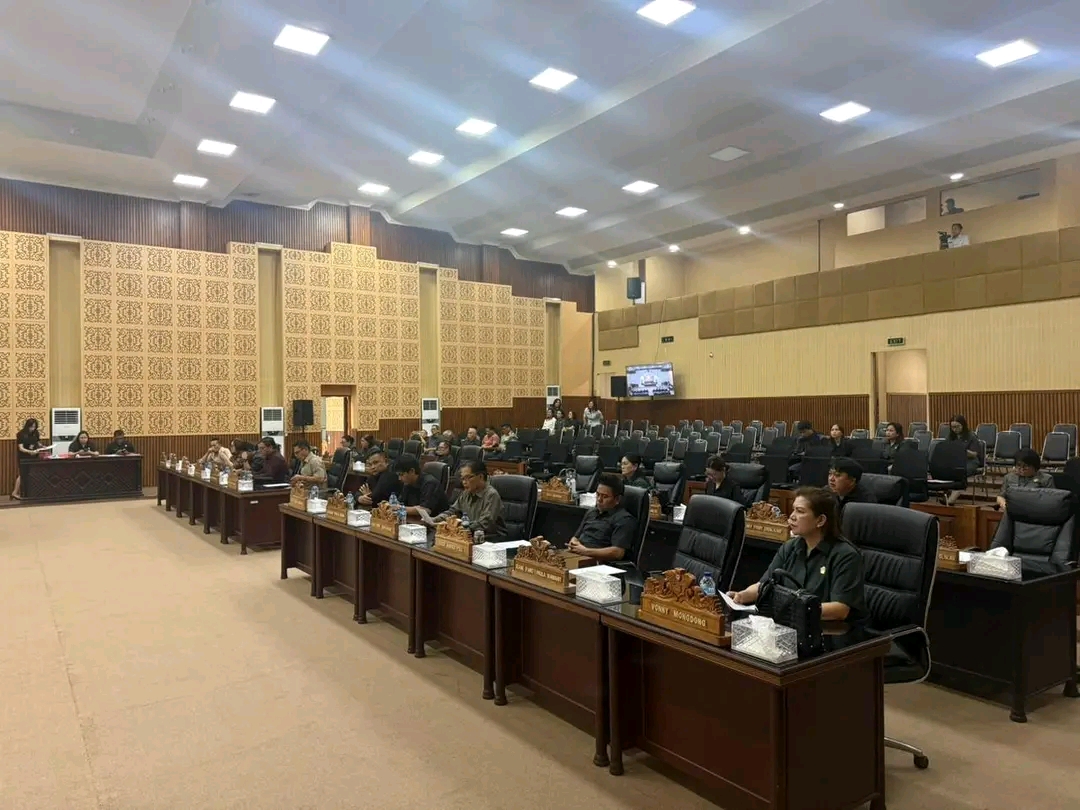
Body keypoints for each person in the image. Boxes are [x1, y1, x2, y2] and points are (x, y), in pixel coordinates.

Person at [728, 487, 868, 623]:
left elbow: (840, 609)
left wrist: (794, 610)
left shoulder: (846, 555)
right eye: (793, 509)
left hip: (829, 630)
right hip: (790, 624)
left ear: (820, 520)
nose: (792, 516)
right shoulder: (790, 547)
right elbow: (764, 586)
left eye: (800, 511)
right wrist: (742, 595)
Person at [567, 474, 637, 562]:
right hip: (577, 556)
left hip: (599, 562)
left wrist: (585, 551)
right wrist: (573, 544)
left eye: (605, 496)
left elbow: (618, 553)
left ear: (617, 499)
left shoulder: (624, 519)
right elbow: (576, 537)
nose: (599, 500)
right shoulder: (591, 512)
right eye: (598, 494)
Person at [430, 460, 506, 536]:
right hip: (468, 534)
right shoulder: (466, 493)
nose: (464, 482)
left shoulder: (491, 495)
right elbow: (452, 511)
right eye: (462, 478)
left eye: (468, 478)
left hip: (491, 538)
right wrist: (434, 520)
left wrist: (457, 526)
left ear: (480, 477)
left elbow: (484, 523)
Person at [11, 418, 43, 500]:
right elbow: (21, 448)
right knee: (22, 475)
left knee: (33, 474)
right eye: (31, 427)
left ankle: (30, 493)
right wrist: (30, 452)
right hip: (24, 457)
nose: (33, 429)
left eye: (34, 427)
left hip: (34, 456)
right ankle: (14, 492)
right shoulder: (21, 434)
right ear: (27, 426)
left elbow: (38, 442)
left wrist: (42, 446)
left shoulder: (36, 433)